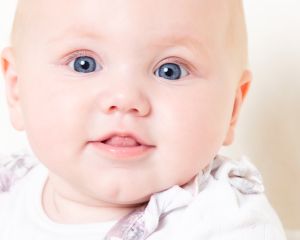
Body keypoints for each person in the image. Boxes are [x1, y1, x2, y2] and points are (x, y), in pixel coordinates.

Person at [0, 0, 286, 239]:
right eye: (83, 64)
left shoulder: (224, 223)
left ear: (232, 108)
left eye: (170, 70)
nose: (125, 98)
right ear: (17, 89)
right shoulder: (10, 190)